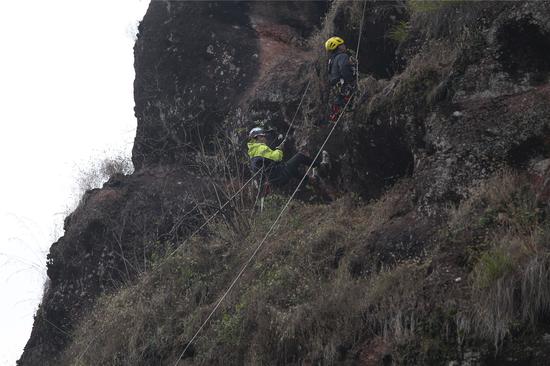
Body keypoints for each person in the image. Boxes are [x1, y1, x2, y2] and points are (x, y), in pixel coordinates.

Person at [247, 127, 313, 187]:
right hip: (279, 175)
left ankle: (310, 179)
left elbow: (269, 161)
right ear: (258, 137)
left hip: (273, 180)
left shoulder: (253, 152)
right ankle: (320, 166)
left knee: (292, 170)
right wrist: (279, 149)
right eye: (263, 136)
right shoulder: (261, 148)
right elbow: (277, 158)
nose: (265, 138)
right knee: (299, 157)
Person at [325, 36, 357, 122]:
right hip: (343, 84)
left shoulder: (331, 59)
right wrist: (351, 80)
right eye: (342, 44)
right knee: (352, 95)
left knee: (339, 100)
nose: (344, 45)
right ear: (338, 47)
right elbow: (344, 68)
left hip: (336, 86)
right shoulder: (342, 56)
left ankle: (335, 113)